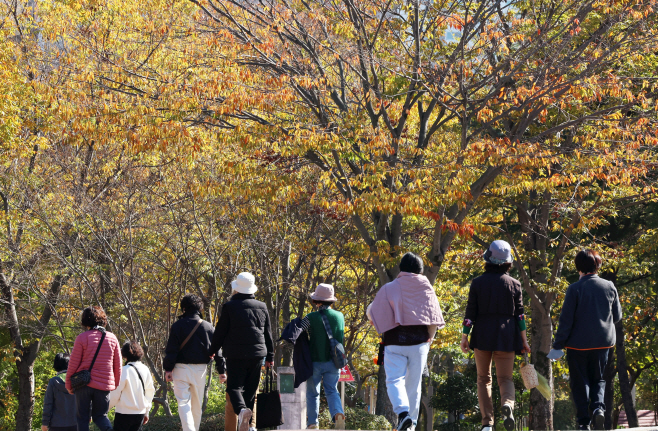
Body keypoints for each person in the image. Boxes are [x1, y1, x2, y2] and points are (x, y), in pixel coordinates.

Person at [368, 252, 445, 431]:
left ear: (401, 268)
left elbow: (373, 312)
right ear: (420, 269)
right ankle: (411, 425)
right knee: (414, 385)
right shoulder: (427, 287)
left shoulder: (389, 287)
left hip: (394, 342)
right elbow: (433, 318)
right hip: (419, 343)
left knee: (394, 380)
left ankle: (403, 415)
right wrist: (429, 340)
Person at [459, 240, 531, 431]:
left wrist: (465, 336)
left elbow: (470, 313)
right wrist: (524, 340)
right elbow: (520, 315)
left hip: (482, 334)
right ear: (508, 262)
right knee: (505, 379)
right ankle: (507, 405)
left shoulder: (477, 283)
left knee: (484, 379)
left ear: (487, 259)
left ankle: (487, 424)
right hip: (507, 335)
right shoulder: (515, 285)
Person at [549, 249, 622, 430]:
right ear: (597, 265)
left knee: (580, 382)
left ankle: (583, 422)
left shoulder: (574, 289)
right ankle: (598, 409)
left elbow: (566, 320)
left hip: (578, 345)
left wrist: (558, 345)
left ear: (578, 267)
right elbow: (617, 316)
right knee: (598, 379)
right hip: (603, 342)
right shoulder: (609, 286)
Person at [210, 273, 274, 431]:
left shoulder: (229, 307)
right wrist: (270, 356)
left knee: (234, 387)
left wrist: (212, 350)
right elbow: (268, 333)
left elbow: (220, 332)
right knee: (251, 390)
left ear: (236, 289)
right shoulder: (262, 306)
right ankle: (250, 426)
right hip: (258, 354)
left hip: (236, 353)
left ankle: (241, 411)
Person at [163, 293, 216, 431]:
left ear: (184, 308)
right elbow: (217, 350)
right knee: (197, 405)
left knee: (183, 403)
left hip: (180, 368)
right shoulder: (208, 326)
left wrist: (168, 369)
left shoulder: (177, 326)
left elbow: (172, 350)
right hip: (200, 369)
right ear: (200, 308)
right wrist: (222, 370)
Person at [66, 306, 122, 431]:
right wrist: (115, 383)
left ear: (85, 320)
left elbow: (73, 364)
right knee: (100, 416)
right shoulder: (112, 338)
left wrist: (69, 384)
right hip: (104, 385)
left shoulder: (82, 338)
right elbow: (117, 365)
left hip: (84, 384)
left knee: (82, 418)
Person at [302, 283, 346, 430]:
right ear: (331, 300)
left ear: (317, 300)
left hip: (314, 361)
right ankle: (338, 414)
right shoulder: (340, 316)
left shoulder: (310, 317)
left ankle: (313, 423)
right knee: (332, 390)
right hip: (334, 361)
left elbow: (299, 331)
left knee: (313, 393)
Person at [109, 341, 156, 431]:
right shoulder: (145, 369)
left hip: (123, 413)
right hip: (140, 413)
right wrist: (147, 412)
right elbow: (150, 392)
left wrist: (104, 409)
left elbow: (115, 394)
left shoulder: (124, 370)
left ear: (125, 355)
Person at [42, 353, 76, 431]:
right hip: (76, 423)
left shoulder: (53, 382)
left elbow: (48, 403)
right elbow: (85, 399)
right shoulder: (77, 380)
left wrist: (45, 423)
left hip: (56, 425)